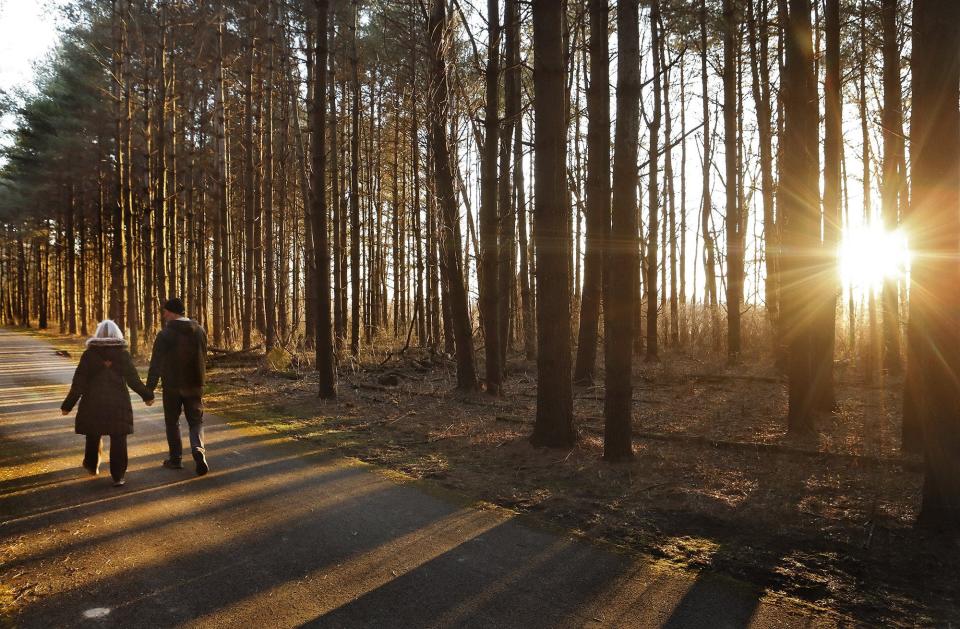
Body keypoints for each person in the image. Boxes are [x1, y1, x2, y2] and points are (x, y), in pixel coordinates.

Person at [61, 320, 154, 487]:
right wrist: (147, 396)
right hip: (118, 404)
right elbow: (134, 380)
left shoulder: (89, 355)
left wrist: (68, 405)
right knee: (119, 438)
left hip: (93, 402)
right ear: (117, 334)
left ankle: (91, 465)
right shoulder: (122, 355)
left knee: (93, 433)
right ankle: (118, 476)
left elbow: (78, 383)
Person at [147, 297, 210, 476]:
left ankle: (176, 459)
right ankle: (198, 449)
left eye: (166, 311)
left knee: (172, 421)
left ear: (173, 312)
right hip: (195, 384)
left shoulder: (165, 334)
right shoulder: (199, 330)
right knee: (196, 420)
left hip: (172, 386)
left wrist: (149, 390)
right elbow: (203, 356)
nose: (164, 315)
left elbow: (156, 364)